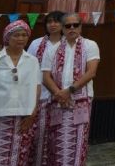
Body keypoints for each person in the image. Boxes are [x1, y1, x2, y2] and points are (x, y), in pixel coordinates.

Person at [0, 20, 41, 165]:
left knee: (17, 160)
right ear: (7, 37)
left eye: (24, 35)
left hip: (22, 121)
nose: (21, 38)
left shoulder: (33, 61)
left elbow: (36, 87)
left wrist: (33, 113)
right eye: (16, 35)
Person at [41, 12, 100, 166]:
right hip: (57, 100)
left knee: (78, 142)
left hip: (80, 101)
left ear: (80, 27)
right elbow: (45, 76)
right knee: (56, 142)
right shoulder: (52, 48)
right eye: (68, 26)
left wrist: (69, 91)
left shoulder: (90, 45)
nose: (72, 28)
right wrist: (59, 94)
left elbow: (91, 72)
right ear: (63, 28)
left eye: (76, 25)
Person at [26, 10, 64, 166]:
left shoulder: (69, 44)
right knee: (38, 136)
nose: (53, 24)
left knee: (56, 138)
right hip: (40, 95)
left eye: (56, 21)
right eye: (49, 21)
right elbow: (28, 67)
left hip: (61, 97)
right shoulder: (37, 43)